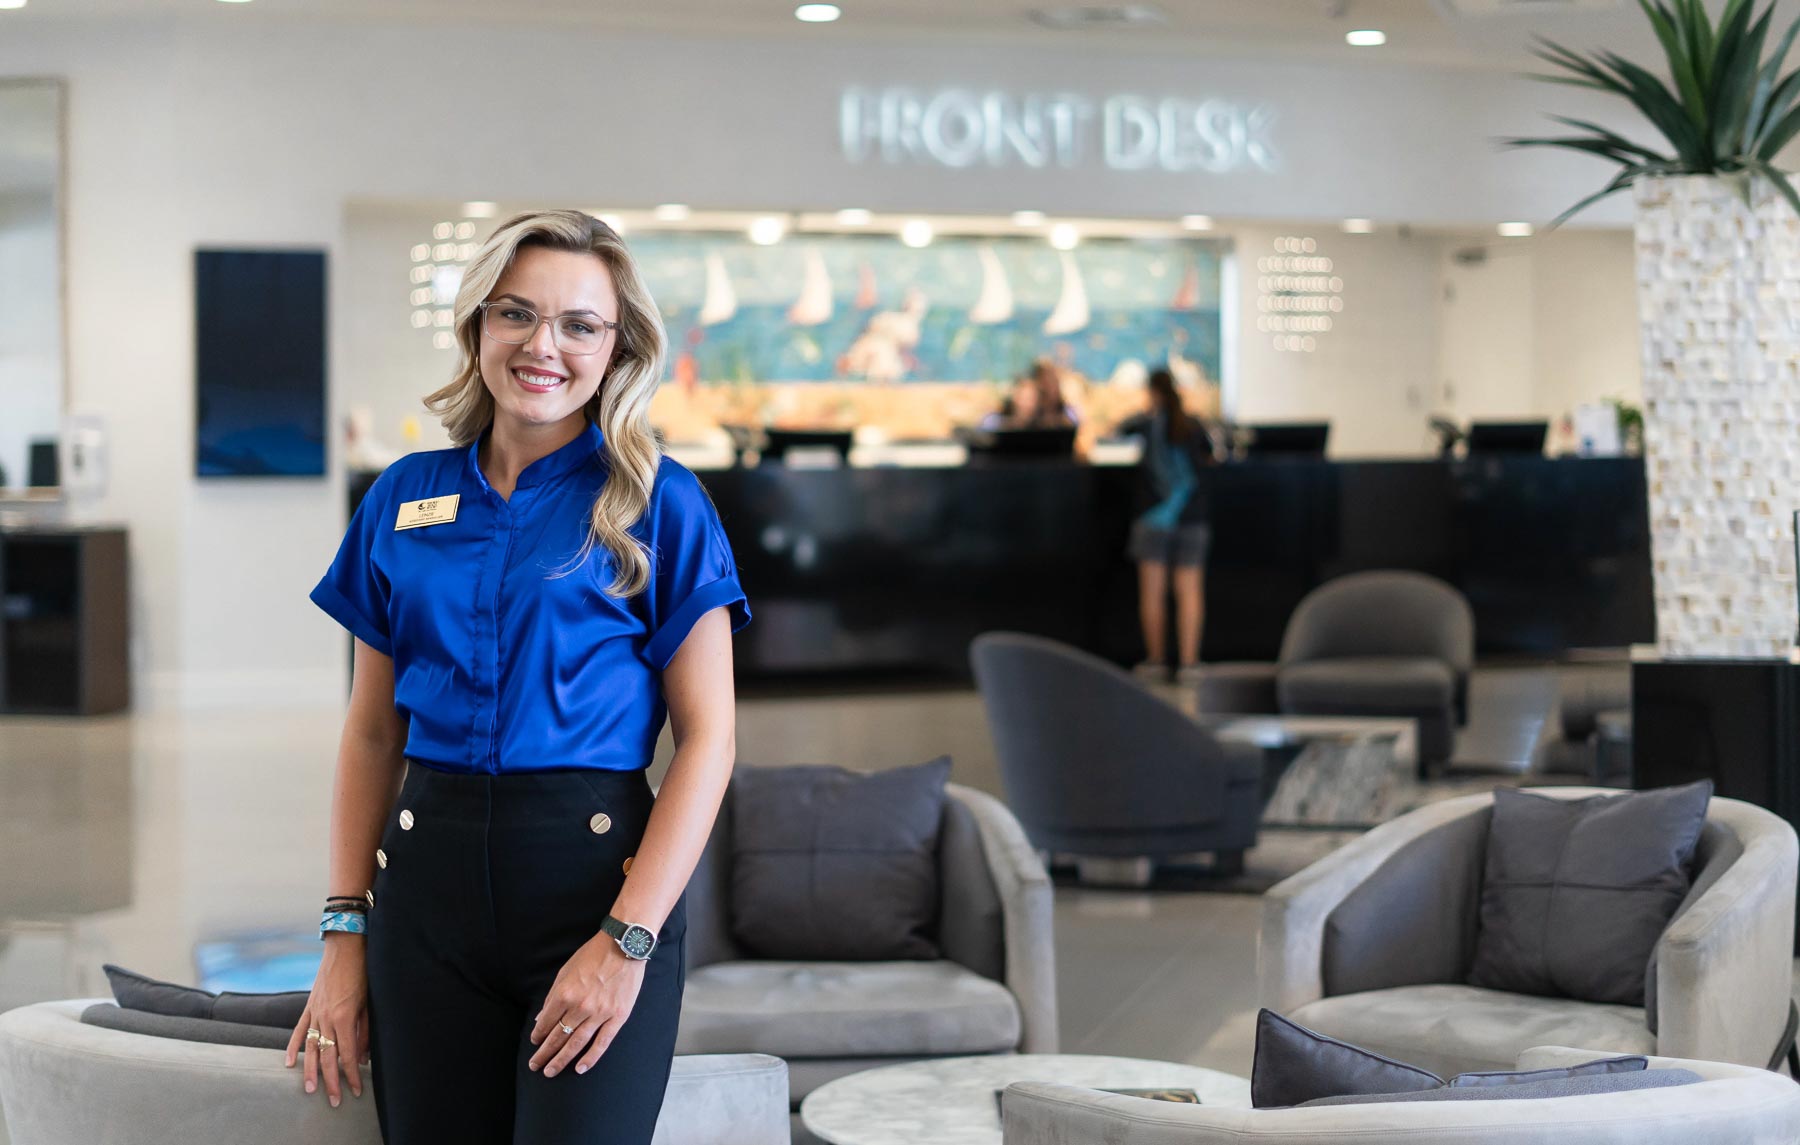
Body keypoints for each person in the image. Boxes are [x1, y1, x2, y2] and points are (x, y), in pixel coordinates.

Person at [293, 210, 749, 1145]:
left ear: (616, 348)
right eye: (517, 314)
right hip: (425, 902)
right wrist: (344, 934)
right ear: (477, 328)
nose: (545, 345)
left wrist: (628, 942)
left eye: (579, 324)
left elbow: (710, 739)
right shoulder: (401, 496)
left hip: (592, 891)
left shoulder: (662, 500)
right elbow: (373, 732)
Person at [1116, 367, 1218, 684]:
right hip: (1192, 519)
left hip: (1153, 520)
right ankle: (1189, 664)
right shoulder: (1194, 425)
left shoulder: (1144, 425)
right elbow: (1211, 459)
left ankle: (1157, 661)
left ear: (1152, 392)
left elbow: (1113, 435)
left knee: (1153, 594)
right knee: (1189, 592)